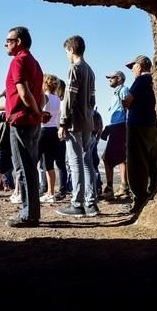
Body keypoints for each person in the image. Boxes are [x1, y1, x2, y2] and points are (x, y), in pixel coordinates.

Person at [3, 26, 44, 228]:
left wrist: (35, 112)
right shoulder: (35, 63)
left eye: (8, 40)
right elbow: (40, 94)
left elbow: (23, 91)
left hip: (21, 121)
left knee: (23, 168)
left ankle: (29, 215)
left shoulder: (18, 60)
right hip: (32, 121)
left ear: (18, 41)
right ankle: (32, 213)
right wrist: (39, 112)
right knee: (29, 167)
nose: (5, 44)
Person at [56, 35, 98, 217]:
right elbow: (92, 100)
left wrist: (63, 122)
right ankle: (91, 204)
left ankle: (77, 204)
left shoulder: (75, 68)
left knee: (75, 163)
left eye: (66, 51)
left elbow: (69, 98)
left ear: (72, 49)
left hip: (75, 122)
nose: (66, 55)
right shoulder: (90, 70)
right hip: (88, 121)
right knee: (87, 162)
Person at [122, 55, 157, 216]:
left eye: (134, 67)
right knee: (151, 159)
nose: (132, 70)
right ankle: (152, 192)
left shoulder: (141, 81)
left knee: (136, 162)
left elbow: (128, 101)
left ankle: (140, 198)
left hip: (137, 125)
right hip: (152, 125)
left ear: (141, 66)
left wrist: (123, 101)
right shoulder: (154, 80)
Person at [101, 70, 130, 200]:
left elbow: (128, 107)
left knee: (106, 158)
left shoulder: (122, 90)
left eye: (111, 78)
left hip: (119, 127)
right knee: (121, 158)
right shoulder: (117, 92)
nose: (109, 80)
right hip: (118, 127)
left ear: (119, 78)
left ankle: (109, 188)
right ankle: (124, 187)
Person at [38, 73, 65, 203]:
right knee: (49, 164)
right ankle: (51, 193)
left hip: (43, 130)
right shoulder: (58, 100)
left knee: (34, 161)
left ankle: (29, 191)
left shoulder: (44, 97)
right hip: (54, 131)